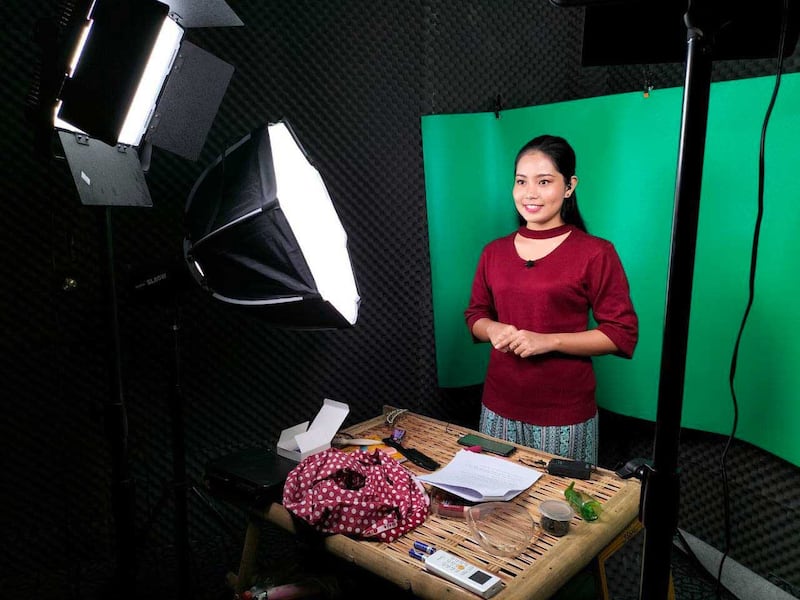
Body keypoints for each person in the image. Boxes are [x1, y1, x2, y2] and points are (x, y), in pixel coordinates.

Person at [464, 134, 638, 465]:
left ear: (569, 186)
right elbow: (475, 315)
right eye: (521, 181)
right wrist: (492, 329)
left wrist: (549, 341)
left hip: (563, 415)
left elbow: (621, 333)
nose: (530, 193)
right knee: (496, 510)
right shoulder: (493, 252)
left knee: (560, 509)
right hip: (497, 406)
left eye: (544, 181)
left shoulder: (596, 252)